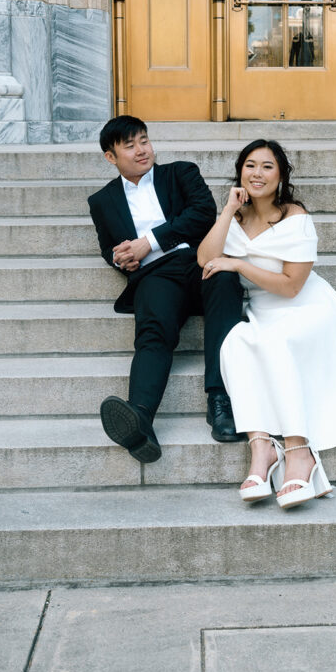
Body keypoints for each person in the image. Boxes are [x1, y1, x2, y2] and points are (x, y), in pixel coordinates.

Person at [197, 139, 336, 508]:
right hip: (263, 309)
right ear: (240, 171)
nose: (257, 173)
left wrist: (238, 264)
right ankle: (261, 448)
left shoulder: (295, 217)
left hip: (309, 308)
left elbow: (290, 286)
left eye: (267, 166)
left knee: (276, 344)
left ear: (281, 174)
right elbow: (205, 258)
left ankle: (299, 451)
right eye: (250, 165)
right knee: (236, 342)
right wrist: (227, 211)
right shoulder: (235, 218)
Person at [88, 115, 245, 463]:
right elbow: (107, 247)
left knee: (225, 279)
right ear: (110, 157)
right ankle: (140, 416)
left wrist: (148, 241)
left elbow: (204, 214)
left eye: (144, 140)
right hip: (155, 276)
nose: (142, 150)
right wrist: (120, 260)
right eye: (129, 145)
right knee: (153, 331)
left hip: (198, 260)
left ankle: (221, 402)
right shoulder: (102, 201)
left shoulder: (180, 173)